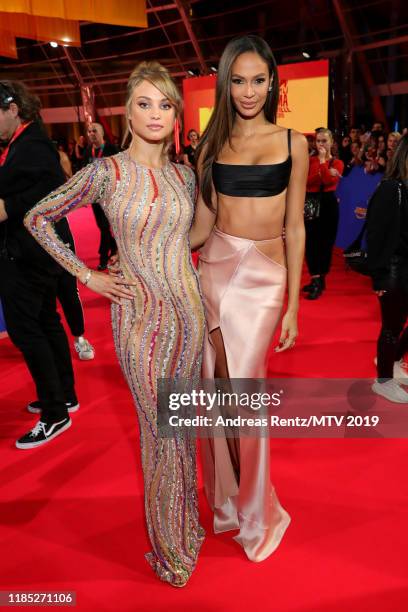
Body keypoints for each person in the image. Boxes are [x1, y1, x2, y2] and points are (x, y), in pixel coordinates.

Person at [24, 62, 205, 587]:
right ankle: (170, 549)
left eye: (165, 104)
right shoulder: (105, 172)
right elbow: (37, 217)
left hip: (188, 314)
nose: (155, 114)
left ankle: (185, 525)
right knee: (159, 430)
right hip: (139, 318)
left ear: (176, 114)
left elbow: (183, 241)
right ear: (127, 111)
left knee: (183, 428)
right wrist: (87, 274)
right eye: (144, 103)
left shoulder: (184, 174)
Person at [189, 35, 308, 562]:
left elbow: (296, 227)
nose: (249, 90)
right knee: (218, 392)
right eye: (238, 80)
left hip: (264, 277)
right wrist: (150, 249)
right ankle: (229, 502)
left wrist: (294, 306)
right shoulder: (211, 145)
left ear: (273, 81)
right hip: (214, 267)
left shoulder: (292, 142)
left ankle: (258, 514)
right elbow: (202, 225)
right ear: (224, 82)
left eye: (258, 79)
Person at [0, 80, 78, 449]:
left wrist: (8, 208)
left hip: (28, 254)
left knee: (27, 329)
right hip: (35, 252)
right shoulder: (24, 143)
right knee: (45, 322)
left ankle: (54, 413)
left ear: (12, 109)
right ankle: (62, 396)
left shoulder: (32, 145)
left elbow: (49, 193)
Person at [367, 135, 408, 402]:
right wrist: (379, 277)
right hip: (393, 268)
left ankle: (393, 360)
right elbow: (376, 234)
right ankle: (383, 381)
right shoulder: (391, 188)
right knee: (391, 327)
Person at [303, 128, 344, 299]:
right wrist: (324, 170)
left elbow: (328, 181)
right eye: (318, 141)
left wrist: (322, 165)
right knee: (310, 241)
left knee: (325, 243)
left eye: (324, 141)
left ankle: (320, 279)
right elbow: (307, 181)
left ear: (331, 143)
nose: (320, 144)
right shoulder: (309, 160)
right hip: (311, 201)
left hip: (328, 203)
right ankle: (315, 278)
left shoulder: (338, 163)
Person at [84, 122, 118, 270]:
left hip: (110, 194)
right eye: (89, 131)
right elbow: (85, 172)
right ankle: (115, 247)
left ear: (102, 133)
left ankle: (103, 257)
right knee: (102, 226)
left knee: (105, 227)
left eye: (94, 131)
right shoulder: (87, 152)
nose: (92, 134)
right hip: (94, 195)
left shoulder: (112, 149)